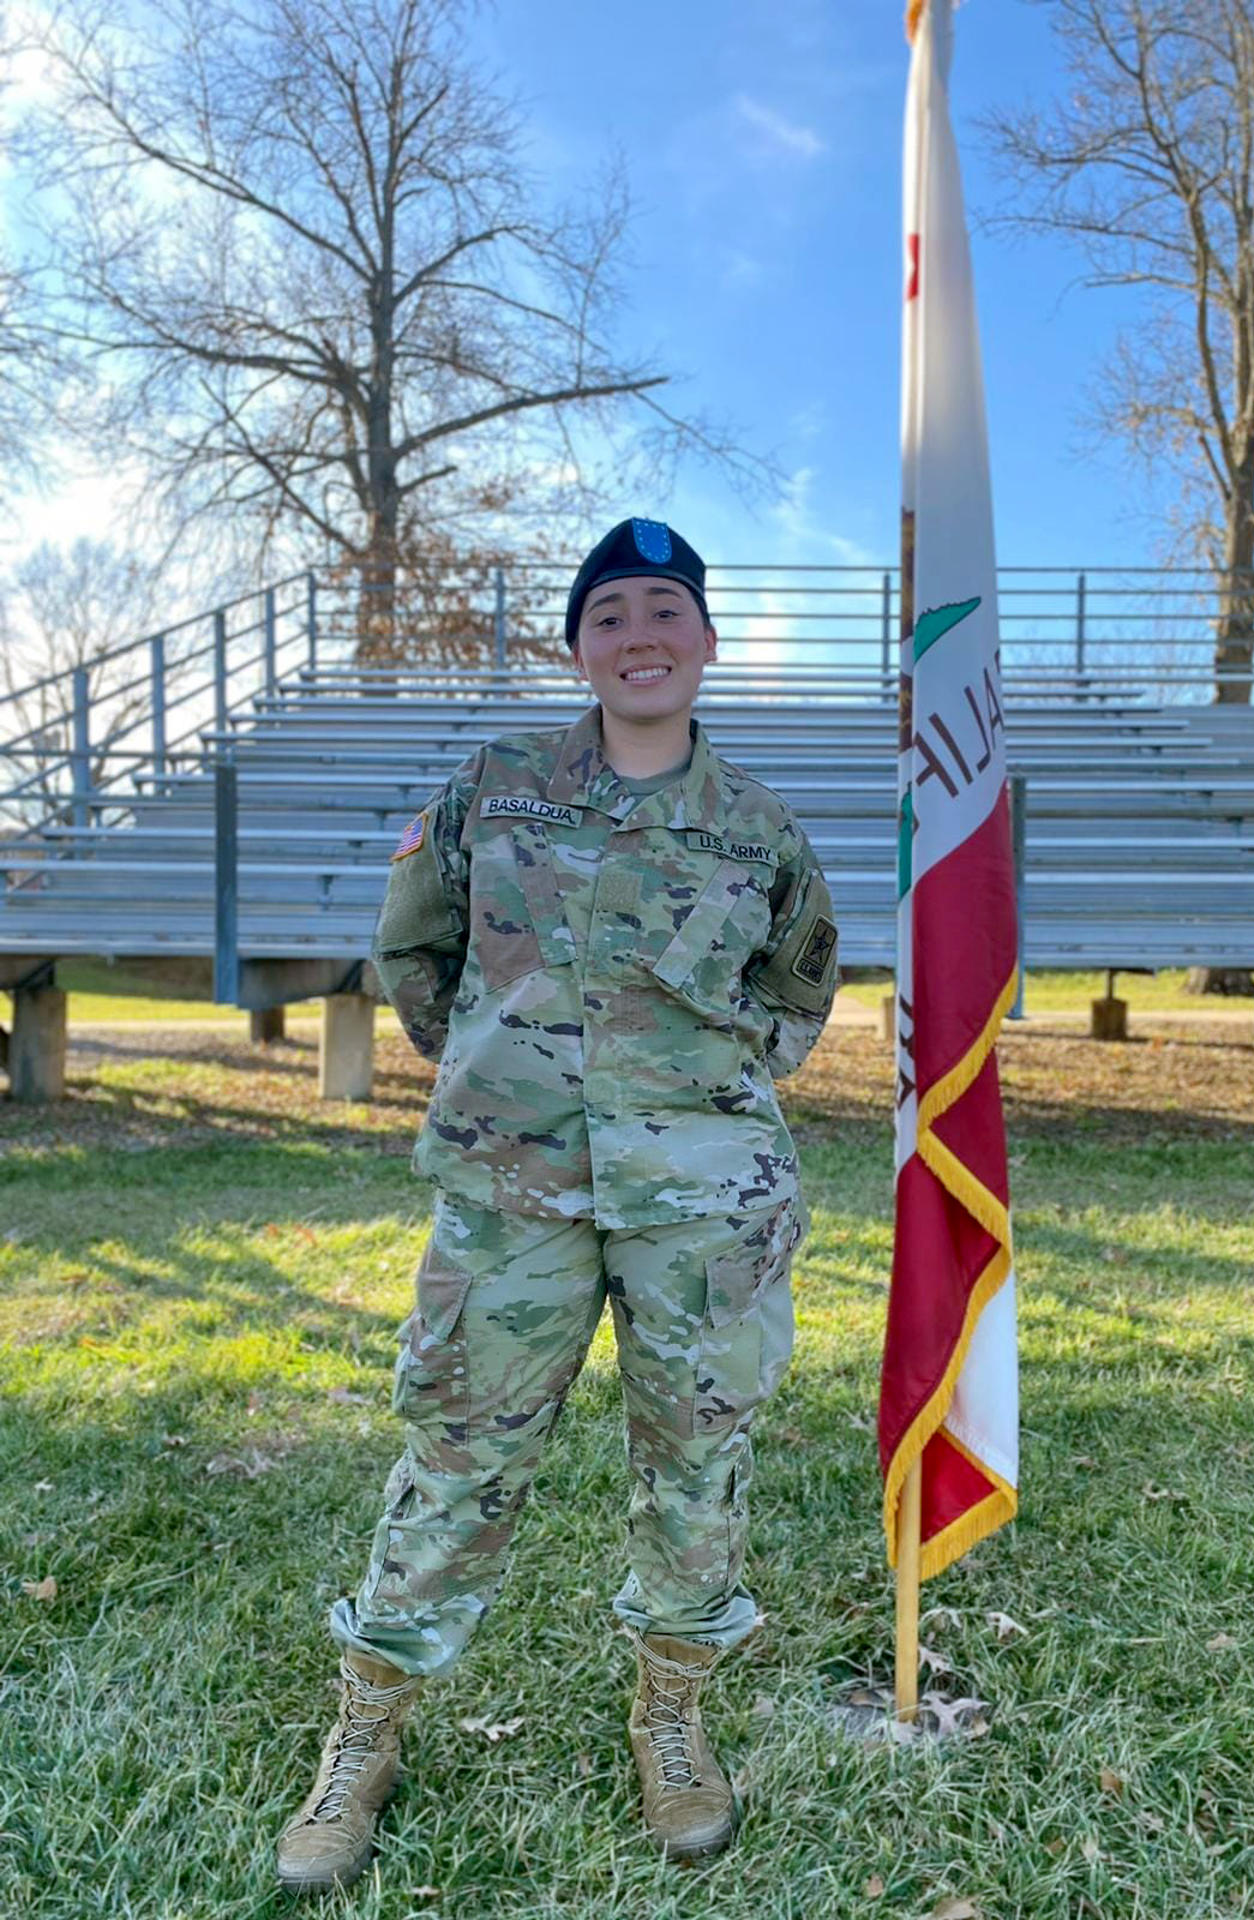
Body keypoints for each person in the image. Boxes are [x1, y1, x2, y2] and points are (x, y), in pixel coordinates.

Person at [276, 518, 839, 1893]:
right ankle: (367, 1731)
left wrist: (699, 1098)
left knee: (697, 1464)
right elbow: (418, 952)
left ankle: (672, 1713)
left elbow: (800, 987)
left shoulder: (758, 826)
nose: (639, 635)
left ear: (704, 640)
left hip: (704, 1204)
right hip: (511, 1190)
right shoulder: (497, 785)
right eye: (609, 615)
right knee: (458, 1454)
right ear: (576, 646)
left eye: (665, 610)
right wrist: (500, 1079)